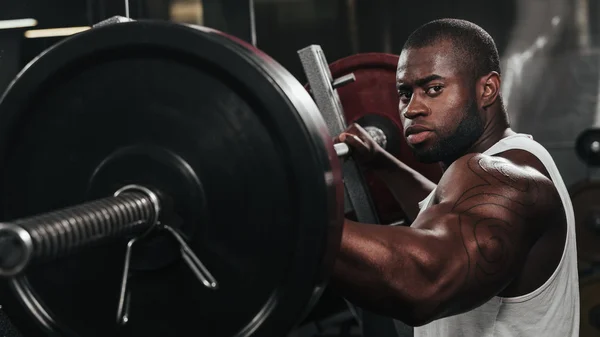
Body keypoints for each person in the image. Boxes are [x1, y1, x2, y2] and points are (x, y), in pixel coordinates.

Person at [331, 18, 579, 336]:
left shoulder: (505, 178)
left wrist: (292, 215)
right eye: (405, 93)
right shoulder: (514, 163)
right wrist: (383, 163)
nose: (411, 110)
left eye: (433, 89)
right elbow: (451, 214)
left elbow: (424, 282)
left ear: (487, 89)